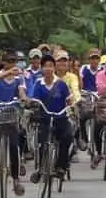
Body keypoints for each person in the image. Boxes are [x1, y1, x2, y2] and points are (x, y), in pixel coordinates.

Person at [0, 53, 28, 196]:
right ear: (3, 62)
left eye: (13, 61)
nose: (11, 63)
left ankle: (15, 179)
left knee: (14, 146)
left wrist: (23, 99)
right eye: (8, 61)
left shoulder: (19, 78)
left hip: (12, 113)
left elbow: (22, 92)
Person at [29, 53, 76, 182]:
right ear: (42, 69)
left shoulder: (61, 84)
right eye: (45, 66)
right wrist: (33, 104)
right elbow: (35, 100)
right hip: (45, 118)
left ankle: (61, 166)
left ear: (54, 68)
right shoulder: (39, 84)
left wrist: (71, 106)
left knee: (67, 137)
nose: (48, 69)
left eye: (50, 66)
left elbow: (69, 100)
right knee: (41, 142)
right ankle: (40, 168)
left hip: (60, 118)